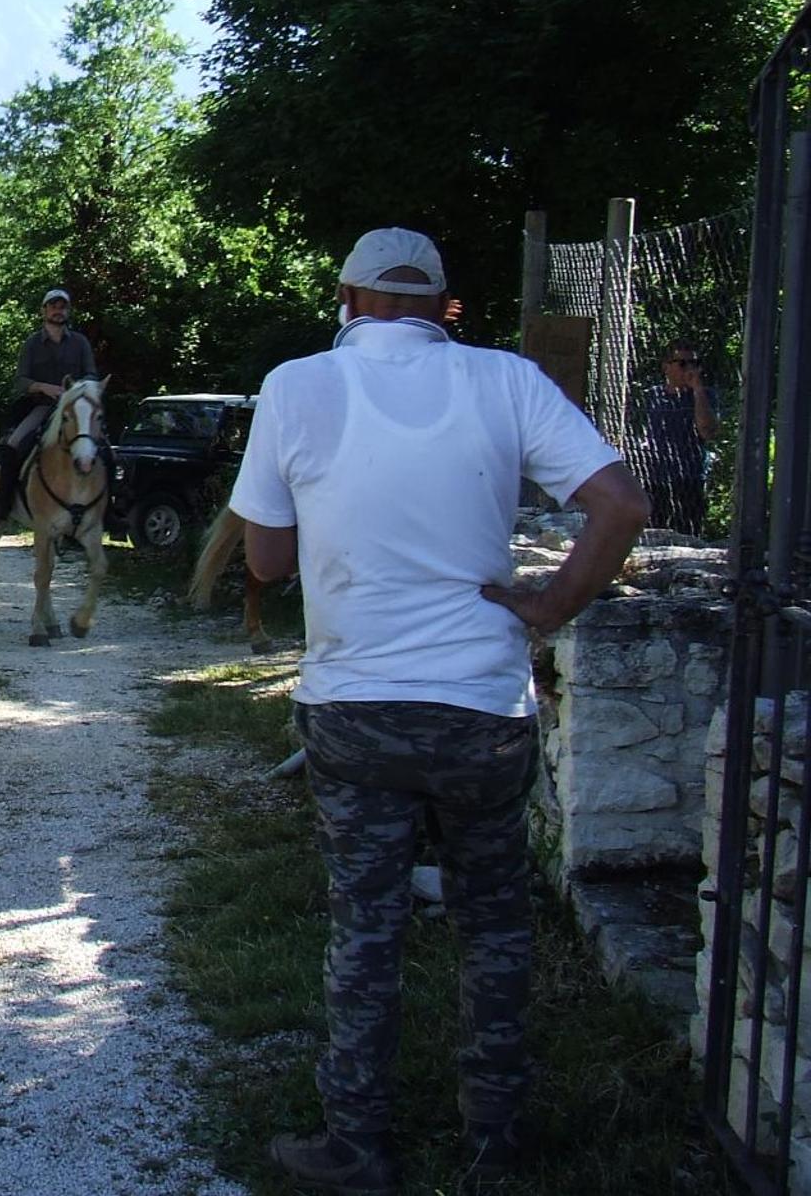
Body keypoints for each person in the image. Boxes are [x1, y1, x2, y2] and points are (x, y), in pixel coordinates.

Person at [228, 227, 648, 1194]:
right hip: (483, 709)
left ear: (349, 297)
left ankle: (357, 1146)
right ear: (438, 305)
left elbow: (267, 565)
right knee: (495, 924)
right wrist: (548, 609)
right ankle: (497, 1146)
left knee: (365, 927)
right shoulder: (506, 381)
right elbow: (620, 506)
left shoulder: (298, 384)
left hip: (355, 708)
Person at [0, 287, 99, 524]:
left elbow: (92, 374)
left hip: (75, 409)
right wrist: (44, 387)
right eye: (53, 306)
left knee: (106, 448)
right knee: (12, 446)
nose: (58, 311)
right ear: (44, 310)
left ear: (68, 310)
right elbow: (21, 381)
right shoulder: (32, 344)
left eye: (62, 306)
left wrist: (77, 389)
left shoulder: (80, 342)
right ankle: (2, 502)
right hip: (42, 407)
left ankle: (109, 509)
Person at [637, 340, 719, 536]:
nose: (689, 369)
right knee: (653, 534)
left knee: (687, 533)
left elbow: (708, 431)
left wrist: (697, 390)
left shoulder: (706, 396)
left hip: (689, 477)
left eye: (694, 363)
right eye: (682, 364)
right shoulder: (652, 396)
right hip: (655, 477)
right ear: (666, 366)